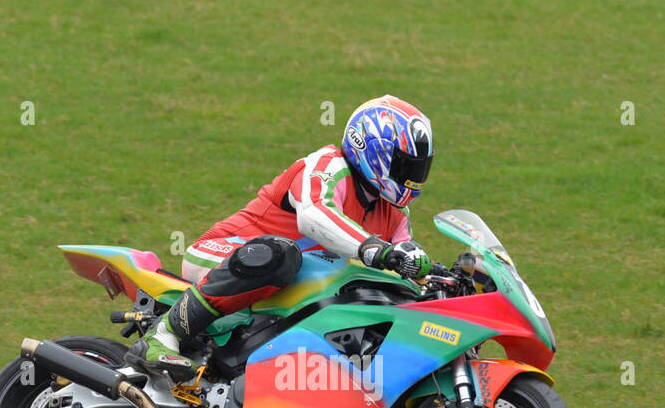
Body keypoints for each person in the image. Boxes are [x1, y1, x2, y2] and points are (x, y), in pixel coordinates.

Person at [127, 95, 435, 381]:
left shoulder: (395, 212)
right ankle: (164, 334)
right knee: (280, 254)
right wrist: (376, 249)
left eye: (418, 168)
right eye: (405, 165)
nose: (412, 176)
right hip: (226, 254)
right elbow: (315, 217)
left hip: (292, 286)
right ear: (372, 149)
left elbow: (400, 273)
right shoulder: (328, 166)